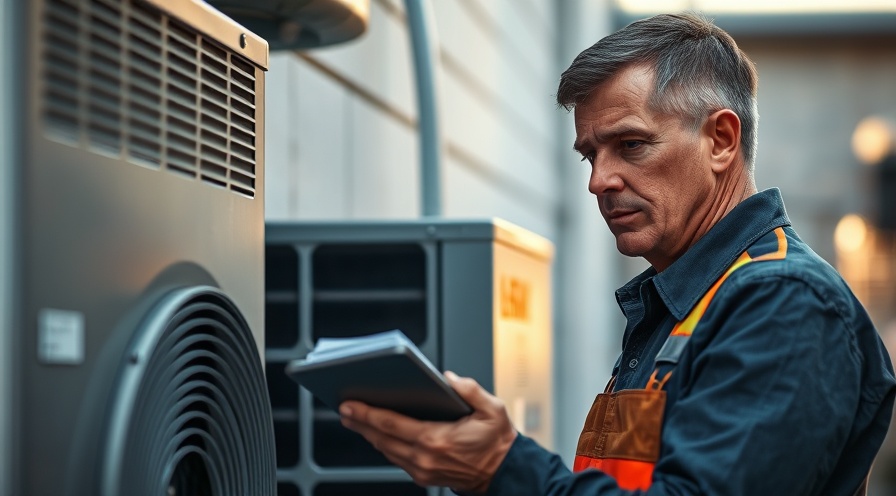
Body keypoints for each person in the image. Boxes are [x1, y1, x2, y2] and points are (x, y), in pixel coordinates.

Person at [338, 12, 896, 495]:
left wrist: (502, 468)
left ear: (722, 140)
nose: (600, 181)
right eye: (590, 156)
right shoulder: (683, 300)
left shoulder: (783, 302)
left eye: (631, 145)